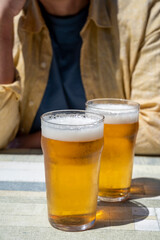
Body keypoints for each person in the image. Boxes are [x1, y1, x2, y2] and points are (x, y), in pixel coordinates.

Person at [0, 0, 160, 154]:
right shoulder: (8, 15)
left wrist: (34, 141)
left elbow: (155, 129)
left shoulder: (143, 13)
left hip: (112, 177)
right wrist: (2, 24)